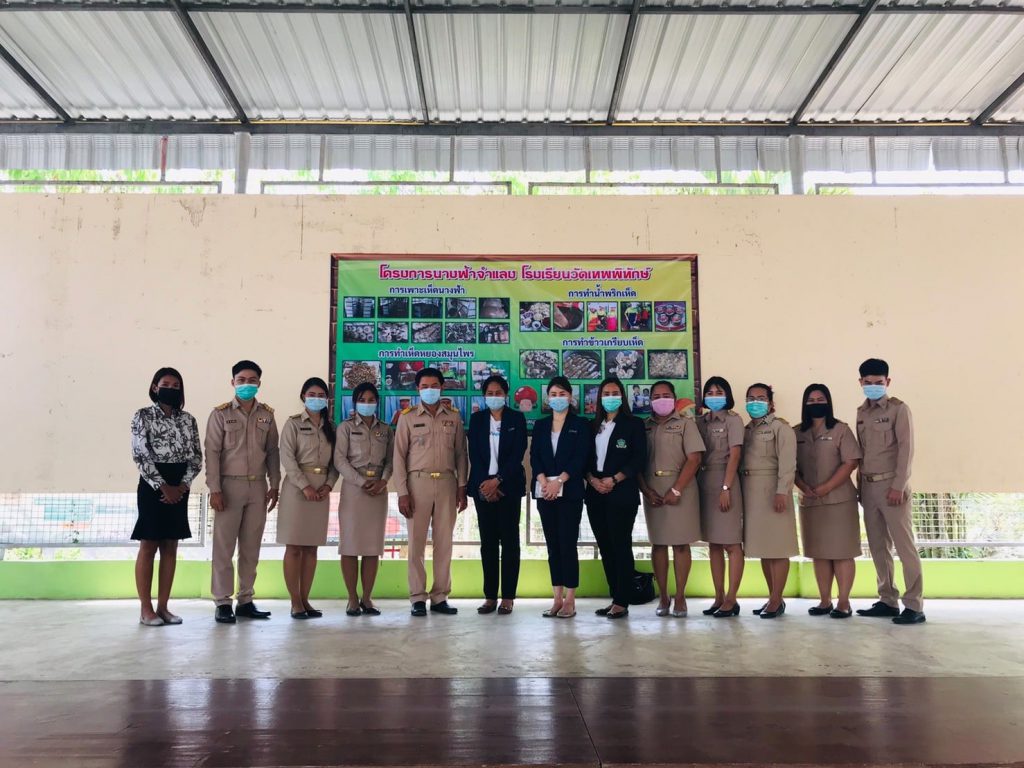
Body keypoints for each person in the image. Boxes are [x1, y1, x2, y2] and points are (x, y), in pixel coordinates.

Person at [205, 360, 280, 624]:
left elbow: (272, 452)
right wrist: (214, 489)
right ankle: (223, 602)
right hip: (228, 486)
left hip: (257, 486)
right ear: (232, 382)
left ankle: (245, 600)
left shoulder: (267, 415)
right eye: (241, 380)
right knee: (224, 547)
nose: (246, 384)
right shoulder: (220, 414)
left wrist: (275, 484)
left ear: (259, 383)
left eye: (252, 380)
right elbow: (212, 453)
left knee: (251, 547)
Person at [393, 367, 468, 616]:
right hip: (417, 484)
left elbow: (461, 454)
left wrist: (462, 486)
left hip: (447, 483)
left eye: (434, 386)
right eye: (424, 386)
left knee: (444, 543)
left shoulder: (453, 417)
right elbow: (398, 457)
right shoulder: (407, 417)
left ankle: (440, 597)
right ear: (417, 389)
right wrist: (402, 492)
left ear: (442, 387)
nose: (430, 390)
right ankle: (417, 597)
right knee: (416, 544)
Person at [855, 358, 924, 625]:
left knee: (905, 547)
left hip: (892, 487)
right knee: (878, 546)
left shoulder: (899, 409)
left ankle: (914, 604)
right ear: (860, 382)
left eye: (878, 382)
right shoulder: (862, 412)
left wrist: (898, 486)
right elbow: (862, 454)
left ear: (888, 382)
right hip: (869, 487)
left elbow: (906, 450)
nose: (873, 386)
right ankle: (887, 599)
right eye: (868, 382)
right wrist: (861, 488)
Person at [130, 367, 202, 626]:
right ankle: (145, 609)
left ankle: (163, 607)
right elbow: (140, 455)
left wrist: (182, 486)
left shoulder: (188, 420)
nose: (170, 389)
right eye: (166, 384)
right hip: (153, 485)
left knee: (171, 545)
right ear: (154, 387)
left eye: (175, 385)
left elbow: (196, 457)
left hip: (180, 484)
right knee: (149, 544)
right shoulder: (143, 416)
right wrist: (163, 487)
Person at [795, 383, 862, 619]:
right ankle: (825, 601)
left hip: (839, 501)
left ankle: (843, 602)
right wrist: (802, 486)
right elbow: (790, 466)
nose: (816, 404)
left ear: (828, 402)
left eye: (820, 399)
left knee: (842, 552)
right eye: (811, 400)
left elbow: (850, 462)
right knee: (820, 553)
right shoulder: (796, 432)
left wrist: (826, 487)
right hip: (810, 502)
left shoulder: (841, 429)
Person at [639, 380, 705, 618]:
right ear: (650, 400)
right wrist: (646, 490)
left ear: (674, 399)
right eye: (656, 396)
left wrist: (676, 490)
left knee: (680, 544)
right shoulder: (644, 426)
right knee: (658, 544)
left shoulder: (686, 424)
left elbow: (695, 459)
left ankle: (680, 596)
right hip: (653, 490)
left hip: (682, 489)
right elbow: (636, 461)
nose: (661, 400)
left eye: (666, 395)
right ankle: (664, 596)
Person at [276, 377, 338, 620]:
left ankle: (305, 599)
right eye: (311, 394)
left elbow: (336, 462)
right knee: (294, 547)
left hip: (321, 490)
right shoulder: (293, 424)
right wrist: (305, 486)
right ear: (303, 397)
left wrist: (329, 485)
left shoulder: (331, 427)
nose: (316, 399)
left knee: (311, 548)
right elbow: (288, 459)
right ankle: (295, 602)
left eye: (321, 395)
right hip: (296, 490)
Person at [585, 376, 647, 620]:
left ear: (622, 396)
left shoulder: (633, 424)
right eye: (606, 393)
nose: (610, 397)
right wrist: (592, 480)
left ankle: (622, 601)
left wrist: (614, 479)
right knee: (606, 547)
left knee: (620, 545)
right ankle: (614, 598)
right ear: (600, 398)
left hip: (621, 492)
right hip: (595, 492)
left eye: (614, 393)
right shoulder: (593, 425)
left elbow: (639, 459)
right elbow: (584, 459)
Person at [467, 375, 527, 615]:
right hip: (483, 489)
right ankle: (490, 597)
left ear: (506, 394)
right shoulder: (477, 419)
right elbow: (474, 455)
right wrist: (486, 485)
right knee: (488, 544)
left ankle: (508, 597)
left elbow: (518, 454)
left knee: (510, 544)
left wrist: (498, 480)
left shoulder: (516, 419)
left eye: (498, 393)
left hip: (508, 488)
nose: (494, 397)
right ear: (484, 396)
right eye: (490, 393)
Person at [531, 376, 589, 619]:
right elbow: (534, 456)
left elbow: (581, 457)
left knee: (567, 544)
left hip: (570, 491)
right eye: (553, 394)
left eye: (562, 394)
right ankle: (556, 598)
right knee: (553, 546)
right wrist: (544, 482)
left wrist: (560, 481)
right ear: (547, 398)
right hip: (545, 492)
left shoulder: (580, 424)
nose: (557, 398)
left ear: (570, 396)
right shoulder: (540, 425)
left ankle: (570, 600)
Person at [335, 382, 394, 617]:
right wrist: (361, 482)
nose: (367, 404)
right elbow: (340, 460)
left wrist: (383, 481)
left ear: (377, 402)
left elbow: (390, 460)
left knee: (372, 547)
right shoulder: (346, 428)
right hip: (354, 490)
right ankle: (352, 598)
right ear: (355, 402)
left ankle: (367, 598)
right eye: (362, 400)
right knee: (350, 546)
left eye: (371, 400)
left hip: (378, 491)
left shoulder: (386, 429)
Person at [742, 383, 798, 620]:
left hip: (773, 493)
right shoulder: (746, 430)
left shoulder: (780, 428)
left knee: (778, 547)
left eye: (761, 398)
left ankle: (777, 598)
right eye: (750, 398)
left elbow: (788, 463)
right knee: (764, 548)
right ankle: (772, 596)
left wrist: (782, 492)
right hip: (751, 493)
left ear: (771, 403)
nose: (755, 402)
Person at [695, 376, 745, 618]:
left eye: (719, 392)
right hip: (704, 481)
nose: (714, 396)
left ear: (728, 395)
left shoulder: (733, 420)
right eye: (710, 392)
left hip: (726, 481)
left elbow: (735, 455)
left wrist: (726, 488)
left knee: (732, 544)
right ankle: (718, 596)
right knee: (713, 544)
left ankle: (732, 599)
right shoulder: (700, 421)